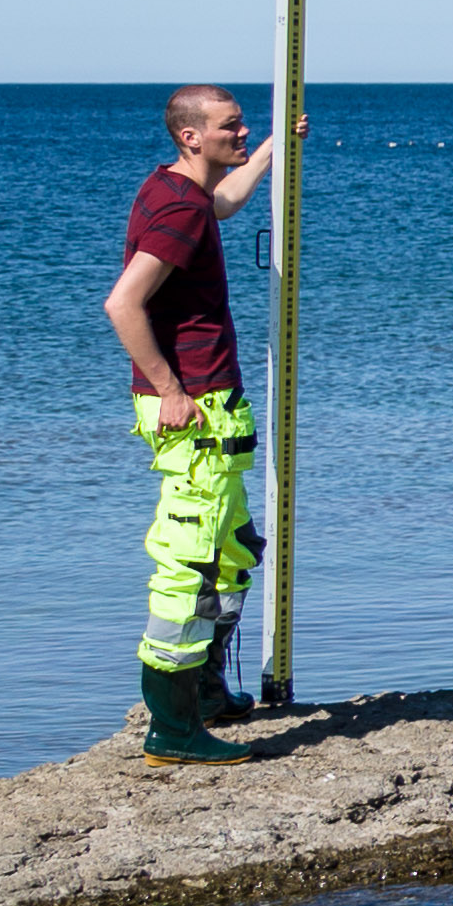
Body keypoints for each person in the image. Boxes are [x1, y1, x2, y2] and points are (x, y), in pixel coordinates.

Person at [104, 83, 291, 763]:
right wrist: (169, 389)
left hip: (216, 405)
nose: (240, 134)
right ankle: (172, 728)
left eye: (243, 127)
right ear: (191, 136)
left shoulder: (178, 192)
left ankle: (207, 690)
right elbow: (122, 304)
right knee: (188, 562)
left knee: (234, 550)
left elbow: (226, 202)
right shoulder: (177, 208)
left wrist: (272, 153)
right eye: (232, 128)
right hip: (195, 409)